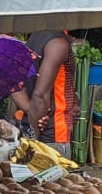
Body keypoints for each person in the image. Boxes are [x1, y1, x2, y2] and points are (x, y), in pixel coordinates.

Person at [11, 28, 79, 156]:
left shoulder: (33, 39)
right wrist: (33, 142)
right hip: (52, 134)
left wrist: (29, 109)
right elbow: (40, 95)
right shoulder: (58, 43)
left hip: (34, 123)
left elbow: (16, 86)